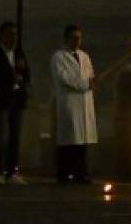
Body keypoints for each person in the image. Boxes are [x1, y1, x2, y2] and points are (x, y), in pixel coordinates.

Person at [0, 21, 31, 186]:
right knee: (1, 136)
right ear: (1, 36)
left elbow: (26, 73)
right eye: (10, 34)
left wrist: (23, 81)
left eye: (15, 34)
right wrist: (11, 79)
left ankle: (12, 171)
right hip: (1, 100)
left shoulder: (18, 52)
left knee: (15, 136)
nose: (14, 37)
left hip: (17, 100)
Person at [50, 25, 97, 184]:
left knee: (81, 142)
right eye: (73, 38)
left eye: (79, 38)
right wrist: (85, 84)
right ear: (66, 39)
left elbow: (90, 74)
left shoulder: (84, 56)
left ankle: (80, 173)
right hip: (69, 102)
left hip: (83, 103)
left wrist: (90, 82)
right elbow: (65, 78)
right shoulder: (58, 57)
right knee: (68, 142)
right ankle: (64, 174)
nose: (77, 41)